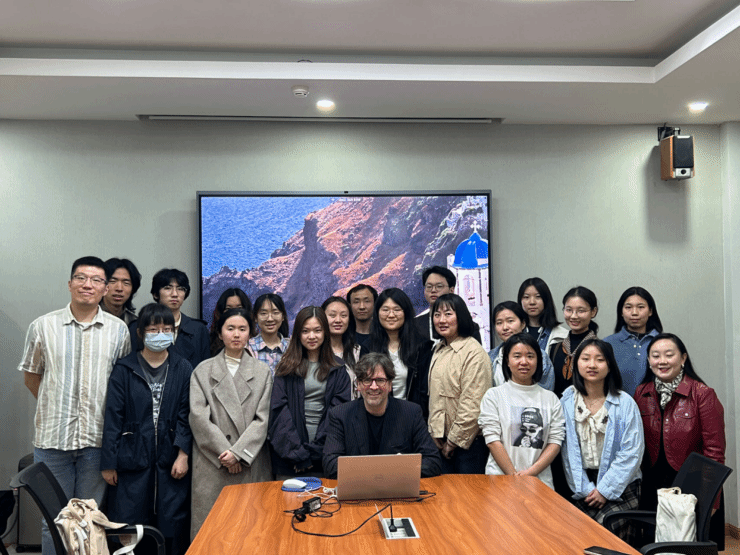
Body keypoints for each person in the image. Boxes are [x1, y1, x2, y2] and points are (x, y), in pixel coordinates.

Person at [18, 256, 131, 555]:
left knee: (89, 519)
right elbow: (31, 377)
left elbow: (121, 385)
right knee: (54, 520)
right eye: (81, 278)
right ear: (70, 284)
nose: (88, 285)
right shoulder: (43, 326)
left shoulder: (118, 330)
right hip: (53, 441)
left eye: (96, 280)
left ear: (105, 288)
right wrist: (56, 405)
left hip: (97, 441)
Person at [101, 303, 192, 555]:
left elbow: (187, 415)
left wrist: (183, 454)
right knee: (131, 524)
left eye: (167, 329)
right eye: (153, 329)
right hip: (131, 458)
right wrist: (108, 463)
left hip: (170, 457)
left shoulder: (183, 368)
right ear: (141, 332)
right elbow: (113, 417)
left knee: (171, 523)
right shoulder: (124, 368)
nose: (160, 334)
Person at [635, 333, 726, 549]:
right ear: (648, 360)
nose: (662, 361)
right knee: (654, 545)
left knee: (687, 546)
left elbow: (714, 451)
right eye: (655, 356)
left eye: (669, 355)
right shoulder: (641, 393)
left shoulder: (702, 394)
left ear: (683, 358)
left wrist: (711, 497)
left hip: (692, 484)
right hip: (653, 483)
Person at [189, 308, 273, 539]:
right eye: (230, 328)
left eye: (242, 329)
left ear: (250, 334)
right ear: (220, 333)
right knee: (213, 533)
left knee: (250, 532)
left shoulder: (262, 371)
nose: (236, 334)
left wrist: (238, 454)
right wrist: (225, 453)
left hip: (250, 461)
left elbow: (263, 418)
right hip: (214, 461)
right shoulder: (203, 371)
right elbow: (198, 417)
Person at [561, 338, 643, 541]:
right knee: (571, 533)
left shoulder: (625, 403)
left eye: (600, 359)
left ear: (610, 365)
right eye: (585, 359)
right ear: (576, 363)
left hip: (622, 484)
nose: (592, 365)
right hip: (583, 484)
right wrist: (586, 489)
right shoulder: (567, 401)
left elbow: (631, 452)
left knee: (600, 532)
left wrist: (605, 490)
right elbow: (567, 451)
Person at [322, 352, 442, 478]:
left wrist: (385, 470)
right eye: (367, 380)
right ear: (358, 385)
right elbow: (330, 465)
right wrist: (384, 469)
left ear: (390, 385)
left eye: (380, 380)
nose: (374, 387)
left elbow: (433, 462)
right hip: (358, 487)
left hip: (396, 487)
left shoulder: (411, 413)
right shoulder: (340, 415)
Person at [268, 306, 351, 478]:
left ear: (325, 332)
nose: (311, 336)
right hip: (290, 458)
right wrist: (298, 454)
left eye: (317, 330)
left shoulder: (338, 369)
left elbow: (338, 414)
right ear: (298, 334)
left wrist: (315, 452)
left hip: (326, 456)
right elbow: (278, 414)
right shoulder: (285, 369)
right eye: (305, 331)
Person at [478, 333, 565, 488]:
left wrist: (530, 474)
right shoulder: (494, 395)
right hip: (500, 481)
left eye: (530, 356)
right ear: (507, 361)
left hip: (540, 483)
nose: (524, 362)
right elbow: (492, 440)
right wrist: (514, 476)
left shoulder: (551, 399)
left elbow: (555, 442)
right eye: (517, 356)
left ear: (538, 360)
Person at [428, 294, 492, 474]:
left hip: (468, 444)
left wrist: (453, 441)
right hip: (442, 441)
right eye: (437, 315)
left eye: (448, 314)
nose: (441, 320)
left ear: (461, 317)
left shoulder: (474, 352)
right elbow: (436, 397)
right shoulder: (439, 349)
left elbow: (473, 403)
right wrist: (435, 432)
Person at [133, 268, 210, 370]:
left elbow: (206, 369)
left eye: (180, 289)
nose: (175, 294)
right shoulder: (137, 326)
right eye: (167, 288)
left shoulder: (199, 329)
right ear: (155, 294)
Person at [369, 288, 432, 402]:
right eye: (385, 310)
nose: (391, 315)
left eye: (397, 309)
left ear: (406, 313)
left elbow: (424, 390)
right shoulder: (368, 347)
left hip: (412, 411)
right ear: (377, 313)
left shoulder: (421, 346)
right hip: (377, 410)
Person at [603, 287, 663, 396]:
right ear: (621, 312)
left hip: (656, 406)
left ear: (650, 311)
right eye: (628, 307)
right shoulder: (607, 344)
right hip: (617, 405)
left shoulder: (663, 343)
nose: (634, 313)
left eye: (641, 307)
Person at [488, 301, 554, 390]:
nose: (505, 327)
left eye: (510, 321)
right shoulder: (491, 357)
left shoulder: (541, 356)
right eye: (499, 323)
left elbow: (546, 393)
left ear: (523, 324)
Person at [549, 286, 599, 396]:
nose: (573, 316)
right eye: (569, 310)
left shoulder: (600, 349)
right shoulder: (555, 348)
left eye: (581, 311)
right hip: (557, 406)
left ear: (593, 312)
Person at [415, 266, 482, 344]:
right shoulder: (414, 325)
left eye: (439, 286)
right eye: (429, 286)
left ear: (451, 290)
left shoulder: (468, 327)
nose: (433, 290)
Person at [321, 296, 367, 399]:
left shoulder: (358, 352)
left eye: (343, 315)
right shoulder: (314, 351)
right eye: (332, 315)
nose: (338, 320)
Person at [517, 277, 565, 353]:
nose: (532, 302)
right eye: (526, 297)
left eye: (538, 296)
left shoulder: (562, 335)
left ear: (546, 300)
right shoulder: (514, 332)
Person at [248, 293, 290, 375]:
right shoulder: (248, 348)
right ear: (255, 317)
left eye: (275, 312)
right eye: (263, 313)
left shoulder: (292, 348)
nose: (270, 319)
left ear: (283, 316)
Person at [208, 288, 253, 356]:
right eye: (228, 309)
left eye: (239, 308)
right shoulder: (209, 342)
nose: (234, 313)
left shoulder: (254, 342)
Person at [100, 257, 141, 325]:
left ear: (133, 289)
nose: (119, 288)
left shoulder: (134, 323)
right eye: (112, 281)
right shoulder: (88, 317)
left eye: (126, 283)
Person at [346, 283, 377, 350]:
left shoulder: (384, 336)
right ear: (349, 306)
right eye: (356, 302)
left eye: (367, 301)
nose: (362, 307)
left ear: (375, 304)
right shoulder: (344, 337)